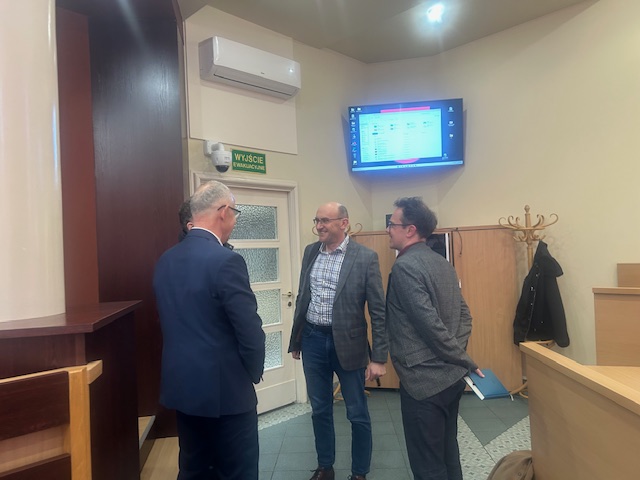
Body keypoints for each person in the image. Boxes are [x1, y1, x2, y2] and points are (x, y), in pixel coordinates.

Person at [153, 180, 265, 480]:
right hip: (226, 392)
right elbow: (249, 330)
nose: (235, 221)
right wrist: (252, 373)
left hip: (183, 389)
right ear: (223, 212)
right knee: (238, 472)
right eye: (235, 213)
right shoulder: (226, 261)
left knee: (194, 469)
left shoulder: (165, 260)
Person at [385, 197, 483, 480]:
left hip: (423, 382)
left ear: (410, 230)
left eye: (392, 224)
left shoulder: (405, 267)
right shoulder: (442, 263)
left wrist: (464, 359)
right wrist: (458, 358)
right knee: (448, 453)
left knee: (428, 464)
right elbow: (465, 317)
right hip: (451, 378)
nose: (388, 229)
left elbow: (430, 326)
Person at [288, 202, 388, 480]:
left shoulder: (365, 258)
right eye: (316, 220)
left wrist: (379, 358)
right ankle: (325, 467)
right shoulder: (311, 252)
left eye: (325, 221)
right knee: (320, 410)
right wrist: (297, 340)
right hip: (313, 339)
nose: (319, 226)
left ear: (344, 223)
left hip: (349, 344)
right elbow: (303, 297)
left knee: (357, 413)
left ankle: (359, 473)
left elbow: (378, 310)